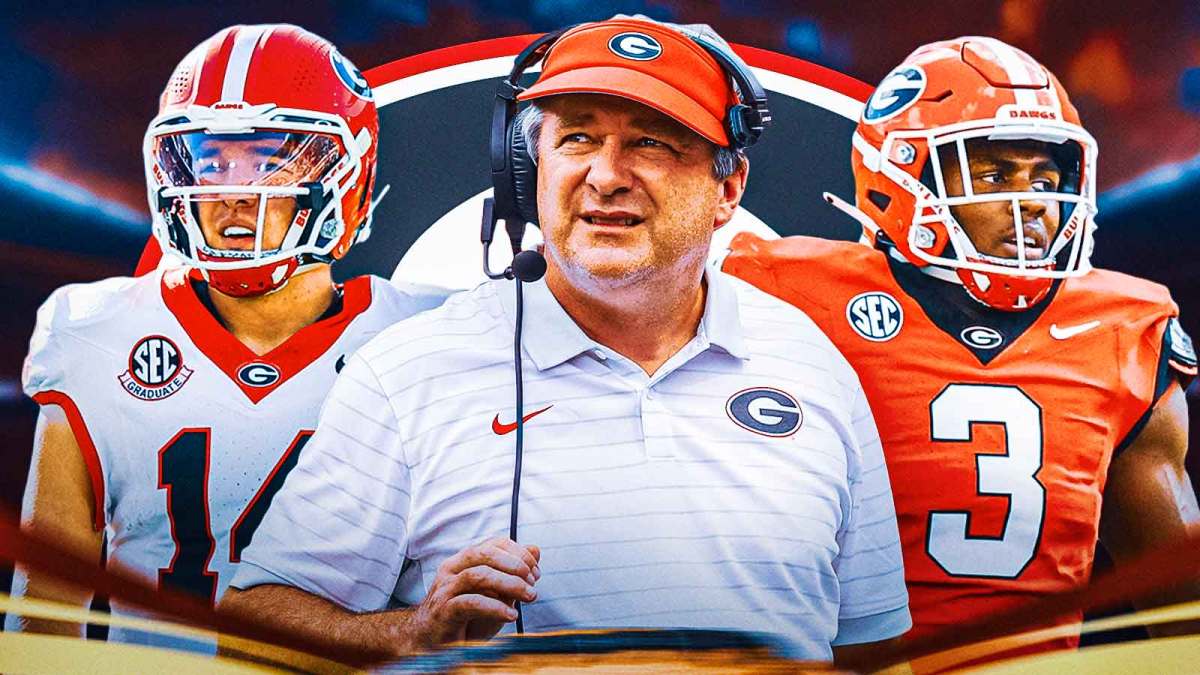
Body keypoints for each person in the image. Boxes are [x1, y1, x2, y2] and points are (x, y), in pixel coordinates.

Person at [219, 17, 911, 664]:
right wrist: (412, 633)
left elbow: (876, 649)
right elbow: (253, 627)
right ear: (527, 174)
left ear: (727, 188)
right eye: (578, 139)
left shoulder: (812, 364)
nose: (606, 176)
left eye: (651, 142)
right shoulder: (408, 373)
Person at [721, 36, 1200, 665]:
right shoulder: (778, 289)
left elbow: (1177, 596)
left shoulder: (1122, 329)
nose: (1033, 201)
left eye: (1046, 177)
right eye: (994, 175)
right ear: (900, 176)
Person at [6, 24, 447, 646]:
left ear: (348, 178)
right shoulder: (97, 330)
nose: (234, 191)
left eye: (269, 161)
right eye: (211, 162)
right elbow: (48, 602)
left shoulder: (427, 336)